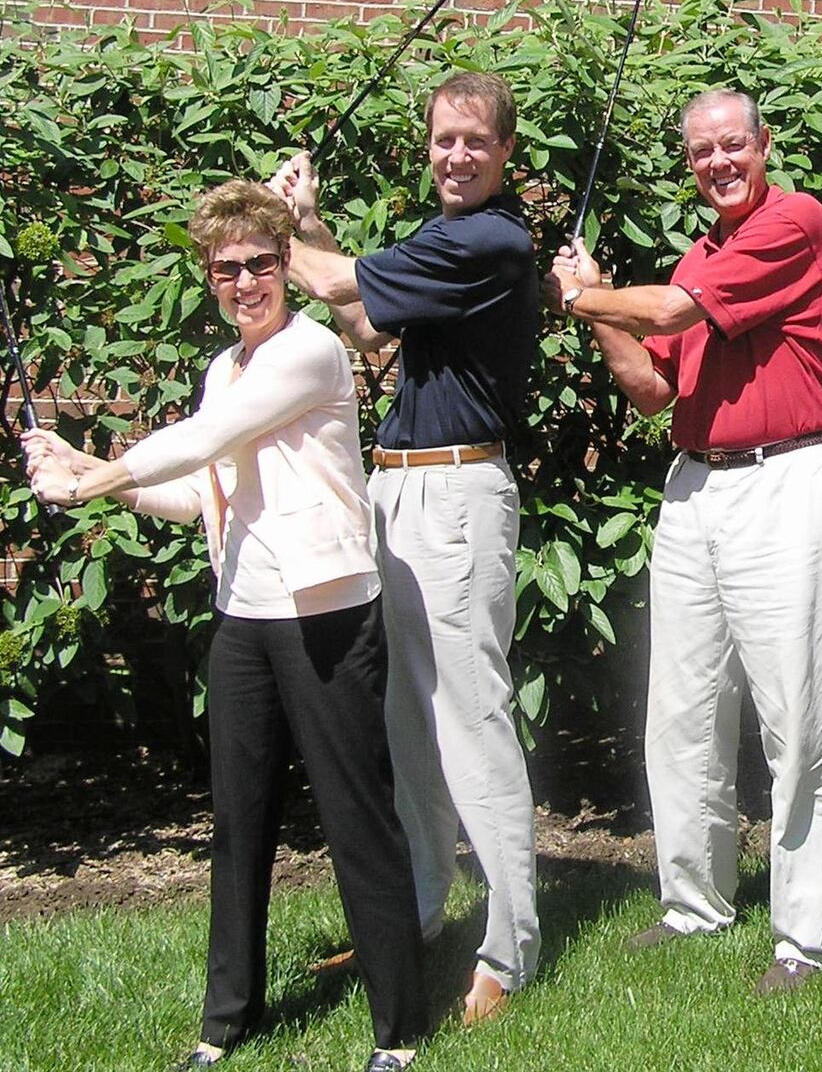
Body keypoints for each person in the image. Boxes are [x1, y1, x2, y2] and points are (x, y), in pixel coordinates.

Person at [25, 181, 426, 1072]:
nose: (246, 282)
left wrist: (88, 477)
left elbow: (207, 439)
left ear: (286, 267)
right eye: (226, 269)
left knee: (357, 815)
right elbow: (201, 490)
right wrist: (98, 470)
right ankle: (224, 1024)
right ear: (209, 276)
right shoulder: (225, 368)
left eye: (261, 265)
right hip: (243, 616)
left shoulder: (311, 352)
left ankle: (399, 1028)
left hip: (326, 614)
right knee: (238, 822)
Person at [545, 88, 822, 996]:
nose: (719, 162)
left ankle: (805, 935)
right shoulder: (700, 253)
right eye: (702, 153)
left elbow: (677, 313)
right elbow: (651, 387)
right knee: (679, 710)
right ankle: (695, 901)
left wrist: (590, 292)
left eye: (733, 145)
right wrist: (595, 309)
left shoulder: (794, 223)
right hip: (697, 485)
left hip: (789, 477)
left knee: (796, 719)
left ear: (763, 145)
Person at [268, 70, 540, 1023]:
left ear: (505, 152)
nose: (455, 155)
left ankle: (511, 945)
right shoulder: (439, 240)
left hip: (457, 495)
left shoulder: (494, 239)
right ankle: (423, 912)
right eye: (442, 140)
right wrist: (304, 223)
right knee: (407, 723)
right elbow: (365, 318)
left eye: (474, 140)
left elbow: (340, 283)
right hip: (404, 488)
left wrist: (274, 230)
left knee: (470, 720)